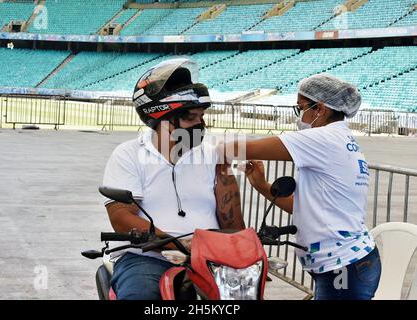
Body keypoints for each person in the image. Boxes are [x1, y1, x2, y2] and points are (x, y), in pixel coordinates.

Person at [224, 73, 381, 300]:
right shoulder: (339, 138)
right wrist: (261, 185)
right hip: (347, 264)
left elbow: (245, 148)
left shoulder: (322, 138)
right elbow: (304, 206)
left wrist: (195, 145)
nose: (299, 116)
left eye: (300, 108)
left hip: (343, 268)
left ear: (319, 109)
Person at [102, 58, 245, 300]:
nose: (200, 124)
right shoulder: (129, 154)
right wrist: (177, 244)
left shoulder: (215, 156)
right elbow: (121, 218)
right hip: (147, 258)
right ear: (162, 119)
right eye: (191, 118)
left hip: (212, 259)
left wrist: (242, 253)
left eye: (202, 116)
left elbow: (232, 221)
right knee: (142, 297)